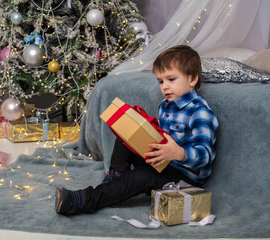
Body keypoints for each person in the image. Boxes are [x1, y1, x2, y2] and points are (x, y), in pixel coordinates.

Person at [54, 45, 219, 215]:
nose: (165, 87)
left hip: (184, 177)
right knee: (127, 131)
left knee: (143, 175)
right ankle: (115, 179)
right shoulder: (166, 106)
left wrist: (178, 153)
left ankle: (85, 200)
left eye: (171, 79)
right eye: (161, 81)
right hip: (164, 163)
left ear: (191, 79)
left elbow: (204, 157)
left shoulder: (200, 113)